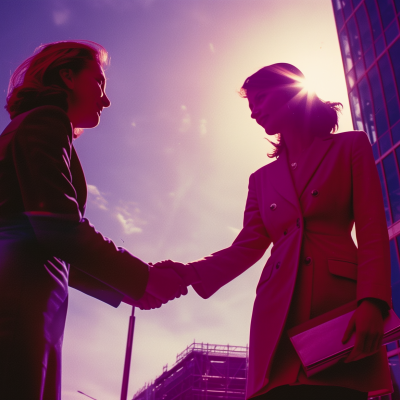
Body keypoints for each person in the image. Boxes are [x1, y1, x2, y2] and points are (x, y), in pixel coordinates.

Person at [155, 63, 392, 400]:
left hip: (337, 306)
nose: (255, 113)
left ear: (290, 92)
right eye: (251, 108)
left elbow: (371, 227)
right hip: (274, 310)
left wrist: (373, 301)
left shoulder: (351, 147)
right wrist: (187, 272)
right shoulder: (260, 180)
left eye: (261, 100)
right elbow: (246, 247)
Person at [0, 40, 186, 400]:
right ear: (67, 76)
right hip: (19, 302)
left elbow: (44, 236)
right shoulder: (46, 120)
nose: (106, 98)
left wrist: (129, 288)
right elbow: (59, 227)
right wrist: (142, 278)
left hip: (29, 299)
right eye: (99, 82)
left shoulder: (34, 125)